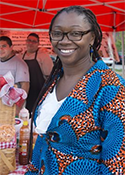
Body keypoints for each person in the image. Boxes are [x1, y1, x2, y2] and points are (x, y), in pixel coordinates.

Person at [26, 6, 125, 175]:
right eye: (57, 33)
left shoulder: (111, 87)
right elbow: (44, 142)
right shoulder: (54, 80)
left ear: (92, 37)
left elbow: (117, 164)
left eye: (75, 33)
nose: (64, 40)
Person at [22, 33, 53, 118]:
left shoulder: (43, 56)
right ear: (26, 42)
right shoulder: (21, 56)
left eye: (34, 41)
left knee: (36, 114)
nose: (31, 43)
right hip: (23, 90)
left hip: (38, 91)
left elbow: (49, 75)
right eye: (29, 40)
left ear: (38, 44)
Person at [0, 36, 30, 116]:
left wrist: (18, 107)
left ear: (11, 47)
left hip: (12, 107)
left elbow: (25, 86)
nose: (1, 49)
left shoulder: (19, 63)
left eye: (4, 46)